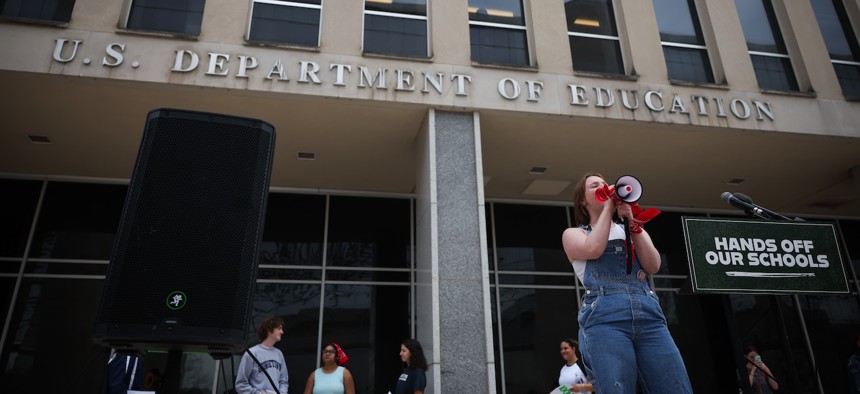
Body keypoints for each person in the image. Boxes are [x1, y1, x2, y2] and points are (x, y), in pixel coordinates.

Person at [561, 172, 693, 393]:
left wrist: (631, 221)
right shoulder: (574, 234)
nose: (603, 187)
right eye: (595, 186)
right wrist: (607, 209)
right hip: (605, 320)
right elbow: (593, 249)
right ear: (582, 201)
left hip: (649, 317)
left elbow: (653, 265)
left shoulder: (630, 229)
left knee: (674, 385)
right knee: (617, 387)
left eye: (605, 184)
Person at [236, 316, 290, 394]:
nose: (282, 332)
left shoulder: (279, 354)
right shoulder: (252, 353)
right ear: (269, 330)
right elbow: (240, 384)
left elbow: (284, 381)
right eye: (279, 328)